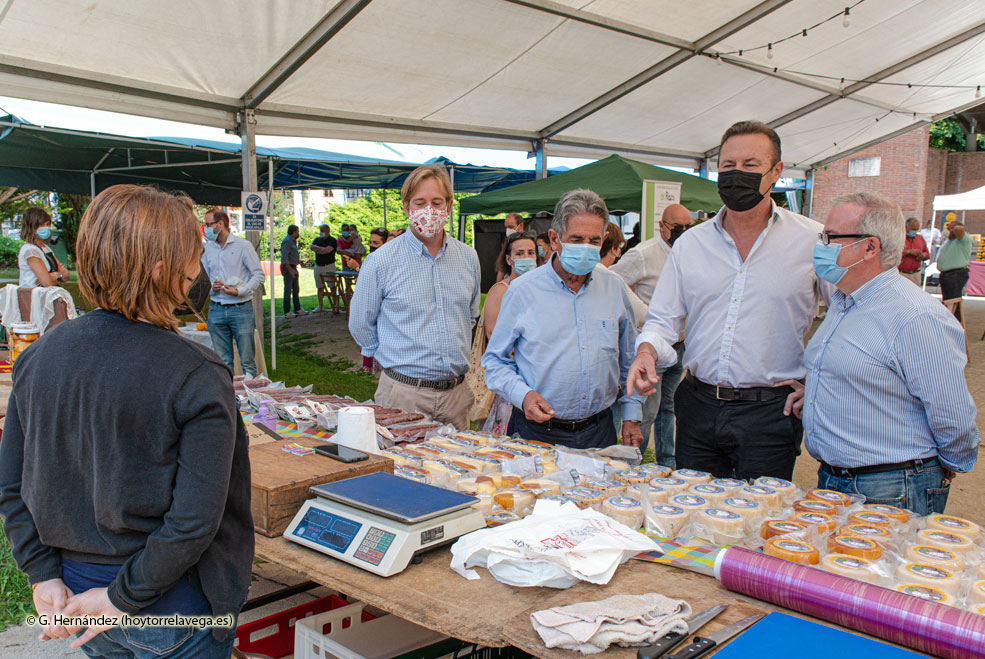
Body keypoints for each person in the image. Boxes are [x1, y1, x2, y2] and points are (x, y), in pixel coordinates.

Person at [0, 184, 253, 657]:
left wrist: (44, 574)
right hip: (169, 600)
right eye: (193, 258)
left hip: (78, 593)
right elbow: (195, 519)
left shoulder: (38, 357)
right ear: (162, 269)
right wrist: (120, 598)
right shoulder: (196, 372)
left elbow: (12, 486)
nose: (198, 271)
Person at [628, 120, 830, 481]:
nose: (737, 175)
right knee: (695, 518)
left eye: (751, 166)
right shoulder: (691, 244)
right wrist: (646, 352)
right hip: (699, 405)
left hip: (771, 411)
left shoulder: (813, 241)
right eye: (728, 166)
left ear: (776, 172)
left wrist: (818, 379)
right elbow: (663, 319)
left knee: (760, 519)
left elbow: (845, 319)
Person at [783, 192, 978, 515]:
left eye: (830, 237)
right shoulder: (845, 302)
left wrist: (937, 468)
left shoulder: (915, 315)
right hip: (834, 480)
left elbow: (951, 413)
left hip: (892, 486)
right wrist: (819, 392)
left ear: (870, 247)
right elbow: (862, 370)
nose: (820, 246)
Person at [483, 189, 644, 449]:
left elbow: (629, 361)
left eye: (593, 240)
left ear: (604, 239)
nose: (586, 247)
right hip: (537, 432)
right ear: (555, 239)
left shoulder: (614, 288)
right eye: (577, 239)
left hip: (599, 431)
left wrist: (631, 415)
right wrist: (523, 396)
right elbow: (494, 361)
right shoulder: (523, 291)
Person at [349, 165, 481, 429]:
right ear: (407, 207)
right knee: (401, 469)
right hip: (404, 394)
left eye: (436, 202)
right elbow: (361, 323)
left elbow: (470, 316)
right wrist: (387, 360)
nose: (429, 210)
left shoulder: (468, 257)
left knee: (460, 468)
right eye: (420, 203)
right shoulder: (380, 261)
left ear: (449, 205)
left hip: (456, 396)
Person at [610, 204, 692, 466]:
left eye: (687, 227)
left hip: (678, 346)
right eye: (677, 228)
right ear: (662, 226)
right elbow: (614, 280)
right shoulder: (644, 254)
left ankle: (667, 461)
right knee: (646, 411)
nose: (683, 232)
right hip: (650, 349)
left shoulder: (691, 252)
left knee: (669, 407)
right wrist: (642, 313)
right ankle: (632, 463)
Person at [480, 232, 540, 433]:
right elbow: (494, 336)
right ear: (508, 258)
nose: (526, 258)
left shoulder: (541, 290)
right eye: (520, 253)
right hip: (512, 378)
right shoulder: (501, 290)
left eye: (531, 252)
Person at [201, 208, 265, 377]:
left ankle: (252, 395)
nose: (205, 228)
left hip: (240, 308)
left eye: (208, 224)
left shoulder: (243, 246)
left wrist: (240, 291)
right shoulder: (208, 249)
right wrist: (210, 288)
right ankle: (227, 397)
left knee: (247, 360)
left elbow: (258, 275)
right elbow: (203, 278)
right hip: (216, 308)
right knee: (222, 361)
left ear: (220, 224)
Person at [17, 207, 70, 288]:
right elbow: (47, 282)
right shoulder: (30, 250)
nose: (46, 228)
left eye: (48, 224)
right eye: (41, 225)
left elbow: (66, 275)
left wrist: (55, 275)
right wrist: (58, 275)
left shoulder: (45, 248)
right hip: (34, 297)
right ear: (32, 227)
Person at [937, 220, 972, 318]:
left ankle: (956, 325)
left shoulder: (964, 239)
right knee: (948, 303)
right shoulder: (950, 241)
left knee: (954, 304)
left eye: (949, 229)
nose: (947, 231)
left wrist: (953, 228)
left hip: (956, 274)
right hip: (947, 275)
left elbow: (959, 229)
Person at [279, 224, 305, 318]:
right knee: (288, 289)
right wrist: (290, 269)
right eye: (297, 231)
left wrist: (298, 262)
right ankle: (287, 311)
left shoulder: (293, 241)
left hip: (293, 266)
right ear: (293, 232)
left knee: (295, 289)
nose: (298, 233)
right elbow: (285, 257)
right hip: (288, 268)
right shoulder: (287, 241)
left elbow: (292, 255)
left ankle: (297, 308)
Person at [311, 224, 338, 313]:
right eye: (321, 230)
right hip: (318, 266)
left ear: (328, 231)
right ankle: (320, 306)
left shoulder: (332, 240)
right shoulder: (317, 239)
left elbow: (328, 250)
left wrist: (319, 250)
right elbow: (312, 247)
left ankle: (335, 305)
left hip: (329, 266)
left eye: (323, 230)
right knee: (319, 287)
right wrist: (322, 249)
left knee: (332, 286)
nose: (321, 232)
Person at [898, 217, 929, 286]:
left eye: (916, 229)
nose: (914, 231)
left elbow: (927, 253)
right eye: (913, 229)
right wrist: (908, 252)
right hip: (901, 273)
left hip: (916, 274)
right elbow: (892, 254)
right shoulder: (899, 238)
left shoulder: (920, 238)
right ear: (906, 227)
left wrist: (923, 256)